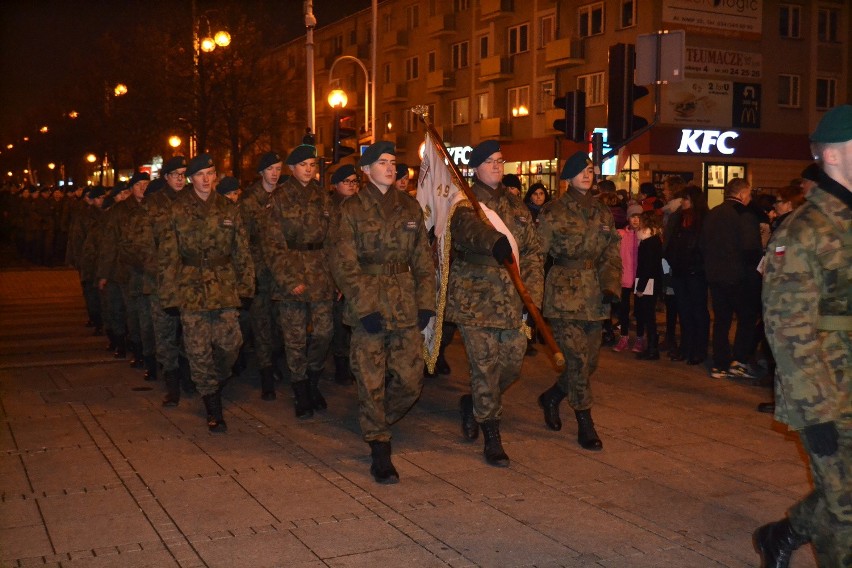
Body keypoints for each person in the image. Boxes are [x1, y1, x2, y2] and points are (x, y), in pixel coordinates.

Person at [752, 104, 851, 568]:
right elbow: (787, 329)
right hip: (829, 384)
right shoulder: (805, 229)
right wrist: (817, 415)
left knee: (843, 493)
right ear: (831, 155)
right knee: (845, 508)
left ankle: (784, 532)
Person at [328, 141, 435, 484]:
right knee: (370, 379)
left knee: (410, 379)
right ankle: (379, 446)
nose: (391, 168)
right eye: (383, 162)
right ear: (365, 169)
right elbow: (343, 264)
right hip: (369, 303)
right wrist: (363, 305)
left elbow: (423, 260)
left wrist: (426, 303)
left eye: (393, 162)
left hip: (404, 301)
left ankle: (377, 419)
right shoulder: (351, 210)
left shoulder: (409, 207)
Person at [447, 140, 543, 467]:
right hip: (476, 300)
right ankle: (492, 435)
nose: (496, 166)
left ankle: (474, 402)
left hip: (513, 301)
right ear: (476, 167)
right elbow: (466, 231)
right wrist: (493, 241)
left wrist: (533, 297)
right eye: (489, 161)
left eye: (500, 161)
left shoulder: (517, 207)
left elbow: (531, 253)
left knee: (512, 365)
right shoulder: (464, 203)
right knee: (485, 366)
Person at [158, 153, 254, 432]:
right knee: (199, 350)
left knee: (230, 344)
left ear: (215, 177)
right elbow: (168, 256)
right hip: (190, 287)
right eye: (200, 175)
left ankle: (214, 380)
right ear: (191, 178)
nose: (205, 179)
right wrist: (169, 295)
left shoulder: (229, 209)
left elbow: (242, 252)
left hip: (224, 286)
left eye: (210, 174)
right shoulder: (176, 211)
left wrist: (247, 287)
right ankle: (213, 404)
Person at [537, 151, 621, 451]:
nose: (587, 174)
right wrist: (531, 297)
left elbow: (611, 251)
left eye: (589, 170)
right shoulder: (553, 212)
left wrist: (612, 287)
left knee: (590, 363)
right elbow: (538, 255)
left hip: (595, 296)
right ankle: (585, 423)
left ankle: (552, 396)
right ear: (568, 178)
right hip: (563, 294)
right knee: (577, 360)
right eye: (580, 170)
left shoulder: (602, 212)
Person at [262, 144, 335, 418]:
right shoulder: (279, 198)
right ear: (292, 168)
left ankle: (313, 379)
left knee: (324, 332)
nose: (309, 169)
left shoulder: (322, 197)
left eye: (313, 165)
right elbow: (272, 244)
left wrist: (336, 277)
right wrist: (286, 278)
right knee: (294, 339)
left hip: (320, 273)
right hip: (291, 272)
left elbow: (334, 239)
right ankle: (301, 390)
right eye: (304, 164)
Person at [700, 177, 763, 379]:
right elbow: (751, 249)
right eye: (749, 194)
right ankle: (739, 360)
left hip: (715, 275)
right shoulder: (744, 214)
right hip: (738, 277)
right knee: (746, 317)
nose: (750, 198)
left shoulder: (713, 213)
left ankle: (720, 363)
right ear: (742, 194)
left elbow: (703, 244)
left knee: (721, 319)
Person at [146, 156, 194, 406]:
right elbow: (143, 243)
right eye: (175, 174)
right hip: (162, 280)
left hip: (190, 279)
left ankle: (188, 377)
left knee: (190, 331)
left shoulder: (192, 200)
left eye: (183, 174)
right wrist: (161, 268)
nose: (179, 179)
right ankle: (172, 385)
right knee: (165, 334)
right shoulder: (153, 204)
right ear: (166, 177)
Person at [240, 152, 285, 401]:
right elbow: (242, 242)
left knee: (281, 323)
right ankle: (266, 374)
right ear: (261, 172)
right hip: (259, 271)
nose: (275, 173)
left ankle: (275, 362)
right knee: (261, 323)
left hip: (281, 271)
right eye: (270, 169)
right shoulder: (248, 202)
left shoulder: (283, 197)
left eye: (278, 168)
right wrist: (247, 277)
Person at [664, 185, 710, 366]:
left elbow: (706, 247)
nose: (683, 202)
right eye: (683, 198)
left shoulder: (704, 219)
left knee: (698, 311)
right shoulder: (678, 218)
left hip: (696, 272)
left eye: (686, 199)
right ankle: (685, 347)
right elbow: (670, 241)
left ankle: (699, 350)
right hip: (679, 271)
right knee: (683, 312)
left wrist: (698, 264)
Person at [328, 165, 359, 385]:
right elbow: (330, 246)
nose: (351, 186)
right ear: (336, 185)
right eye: (346, 182)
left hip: (358, 270)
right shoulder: (331, 209)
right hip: (338, 271)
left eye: (354, 181)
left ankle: (354, 361)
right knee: (340, 321)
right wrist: (335, 279)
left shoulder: (360, 207)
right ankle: (340, 363)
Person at [633, 211, 663, 360]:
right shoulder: (653, 240)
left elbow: (647, 266)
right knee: (647, 314)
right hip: (650, 282)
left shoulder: (649, 242)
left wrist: (640, 287)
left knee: (648, 315)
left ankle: (652, 348)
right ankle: (651, 347)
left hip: (648, 283)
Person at [613, 204, 643, 352]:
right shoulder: (622, 234)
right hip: (625, 276)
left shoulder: (645, 235)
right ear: (628, 218)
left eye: (638, 217)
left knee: (640, 309)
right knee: (623, 309)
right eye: (633, 216)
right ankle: (623, 336)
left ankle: (640, 338)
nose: (636, 220)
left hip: (640, 277)